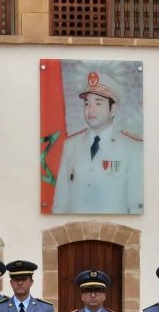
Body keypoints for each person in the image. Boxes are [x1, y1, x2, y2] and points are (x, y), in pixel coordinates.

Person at [51, 70, 143, 214]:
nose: (90, 109)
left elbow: (137, 207)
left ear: (113, 109)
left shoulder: (133, 147)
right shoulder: (71, 145)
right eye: (87, 103)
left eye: (98, 103)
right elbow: (60, 203)